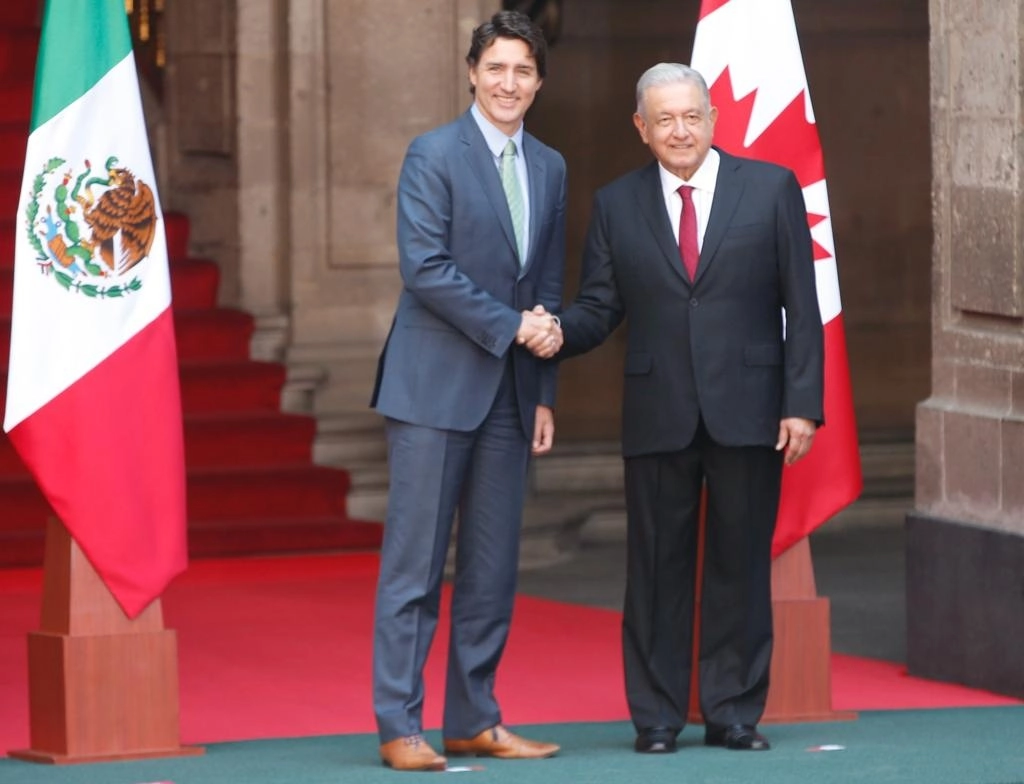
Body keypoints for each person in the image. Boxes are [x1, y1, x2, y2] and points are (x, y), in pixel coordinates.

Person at [542, 62, 823, 753]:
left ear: (713, 119)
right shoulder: (615, 203)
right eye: (663, 119)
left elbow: (803, 308)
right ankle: (659, 717)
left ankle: (731, 712)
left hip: (751, 409)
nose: (679, 130)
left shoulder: (770, 189)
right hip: (658, 409)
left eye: (691, 116)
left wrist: (802, 405)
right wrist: (551, 332)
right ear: (641, 128)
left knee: (739, 567)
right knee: (656, 571)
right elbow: (600, 307)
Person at [368, 10, 566, 772]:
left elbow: (545, 284)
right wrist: (515, 327)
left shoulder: (550, 166)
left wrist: (543, 385)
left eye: (523, 70)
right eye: (496, 68)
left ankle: (473, 719)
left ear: (538, 82)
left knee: (492, 570)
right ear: (472, 72)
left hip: (512, 399)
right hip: (431, 390)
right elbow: (426, 269)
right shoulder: (433, 155)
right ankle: (399, 725)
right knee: (414, 569)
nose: (508, 83)